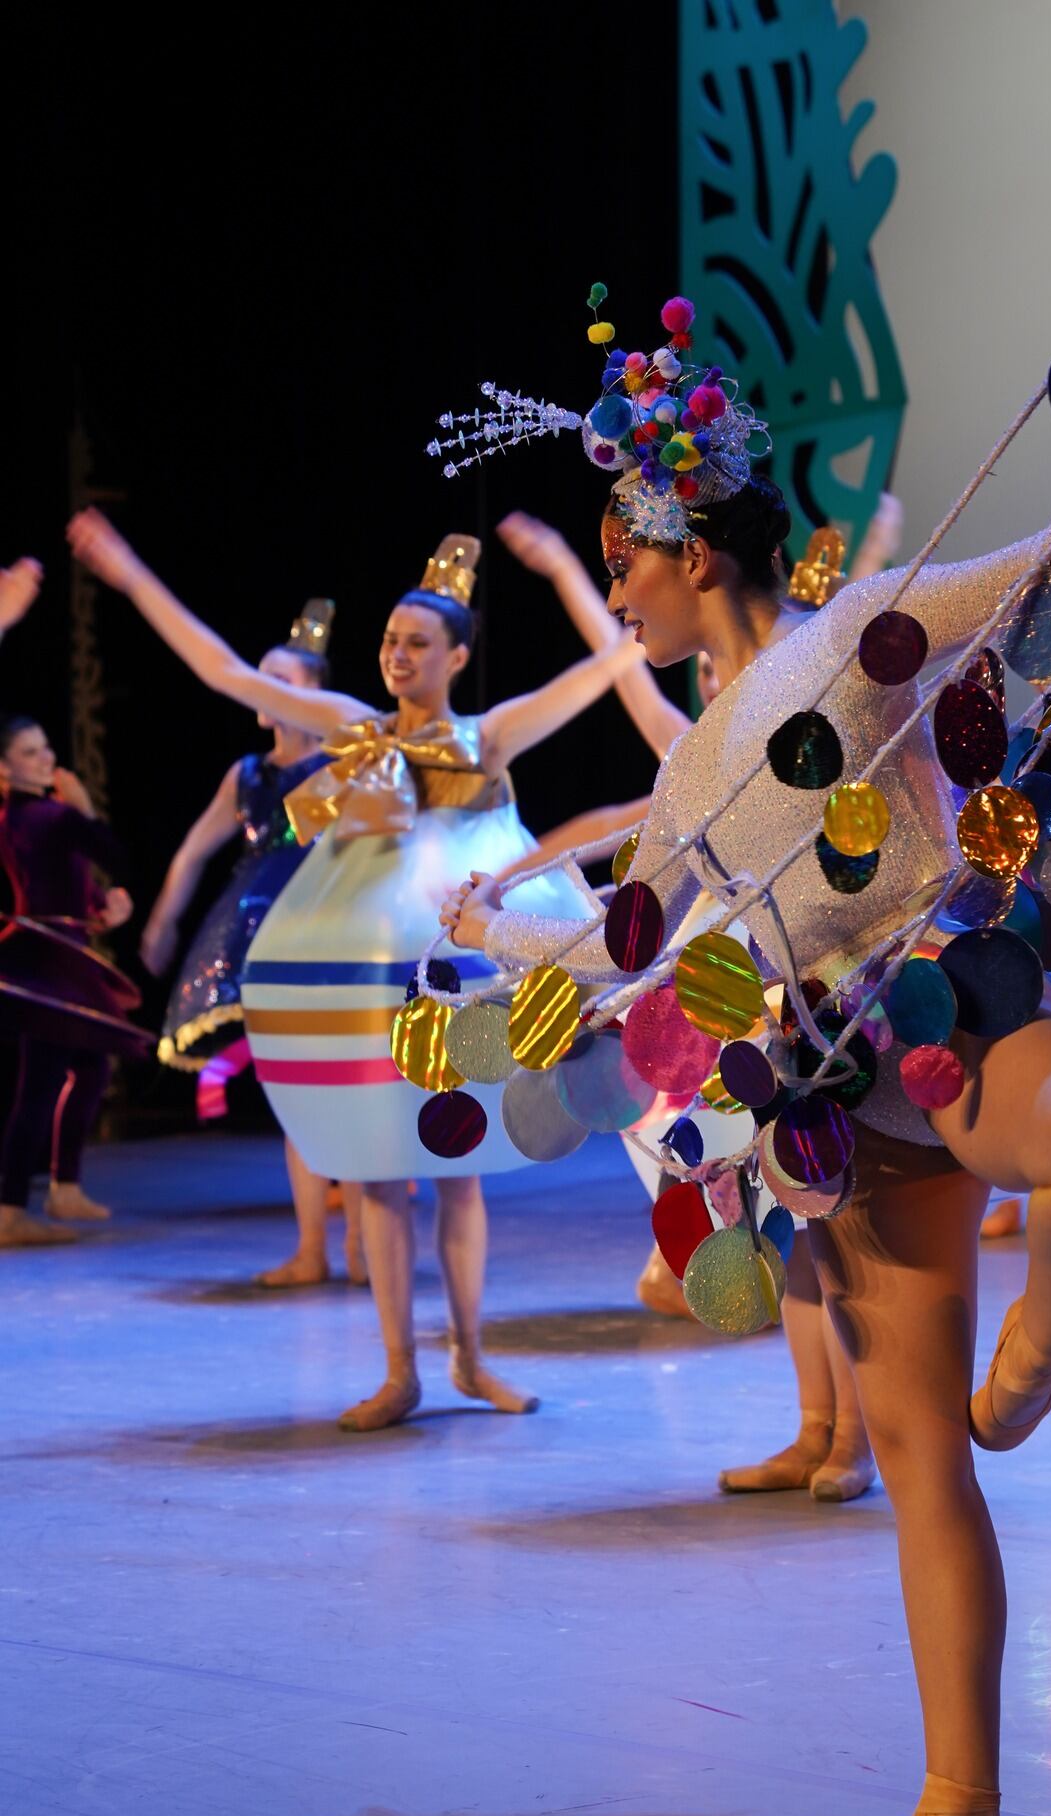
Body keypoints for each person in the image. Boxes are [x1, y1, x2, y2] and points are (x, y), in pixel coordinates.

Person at [439, 291, 1051, 1816]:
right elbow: (627, 946)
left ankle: (1031, 1369)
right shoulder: (699, 758)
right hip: (833, 1102)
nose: (616, 588)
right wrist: (493, 924)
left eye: (621, 559)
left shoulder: (849, 637)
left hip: (952, 1016)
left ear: (688, 549)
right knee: (918, 1461)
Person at [68, 509, 641, 1430]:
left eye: (419, 643)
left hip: (450, 971)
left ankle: (469, 1357)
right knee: (376, 1172)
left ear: (457, 657)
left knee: (455, 1165)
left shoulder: (485, 738)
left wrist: (565, 566)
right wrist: (131, 573)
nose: (398, 655)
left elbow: (608, 664)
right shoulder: (351, 731)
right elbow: (225, 671)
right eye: (390, 640)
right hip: (360, 975)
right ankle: (397, 1370)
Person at [495, 509, 879, 1502]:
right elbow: (622, 677)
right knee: (787, 1227)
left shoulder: (794, 717)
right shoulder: (700, 748)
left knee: (837, 1232)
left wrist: (875, 538)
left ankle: (857, 1442)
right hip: (729, 1003)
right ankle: (812, 1427)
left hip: (806, 992)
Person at [140, 598, 365, 1287]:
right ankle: (310, 1249)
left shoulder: (347, 760)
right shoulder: (246, 776)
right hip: (258, 941)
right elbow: (192, 850)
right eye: (261, 677)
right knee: (294, 1094)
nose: (268, 688)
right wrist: (163, 919)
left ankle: (361, 1246)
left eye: (285, 679)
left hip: (328, 932)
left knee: (349, 1094)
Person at [0, 715, 148, 1244]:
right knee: (41, 1081)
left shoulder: (23, 818)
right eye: (30, 753)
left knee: (88, 1065)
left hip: (50, 950)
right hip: (48, 961)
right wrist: (85, 808)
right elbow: (112, 853)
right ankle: (10, 1208)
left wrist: (100, 908)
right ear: (4, 766)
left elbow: (58, 885)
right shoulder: (49, 817)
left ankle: (63, 1187)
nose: (47, 760)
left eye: (45, 748)